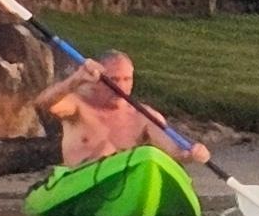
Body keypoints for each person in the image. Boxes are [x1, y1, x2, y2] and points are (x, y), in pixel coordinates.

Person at [36, 52, 203, 171]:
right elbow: (43, 104)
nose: (121, 87)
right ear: (98, 80)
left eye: (126, 79)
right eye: (114, 80)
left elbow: (173, 150)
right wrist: (76, 78)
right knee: (105, 150)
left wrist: (191, 154)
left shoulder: (143, 115)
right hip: (79, 181)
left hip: (124, 182)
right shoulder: (78, 105)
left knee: (148, 157)